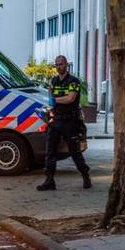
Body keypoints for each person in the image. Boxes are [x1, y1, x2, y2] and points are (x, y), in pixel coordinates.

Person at [37, 55, 91, 191]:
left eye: (61, 64)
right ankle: (49, 180)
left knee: (74, 151)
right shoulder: (54, 80)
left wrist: (54, 100)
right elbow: (50, 92)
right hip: (56, 120)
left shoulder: (73, 81)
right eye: (56, 64)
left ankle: (85, 175)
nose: (58, 67)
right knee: (50, 151)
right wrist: (50, 100)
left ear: (66, 65)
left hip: (70, 121)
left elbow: (70, 98)